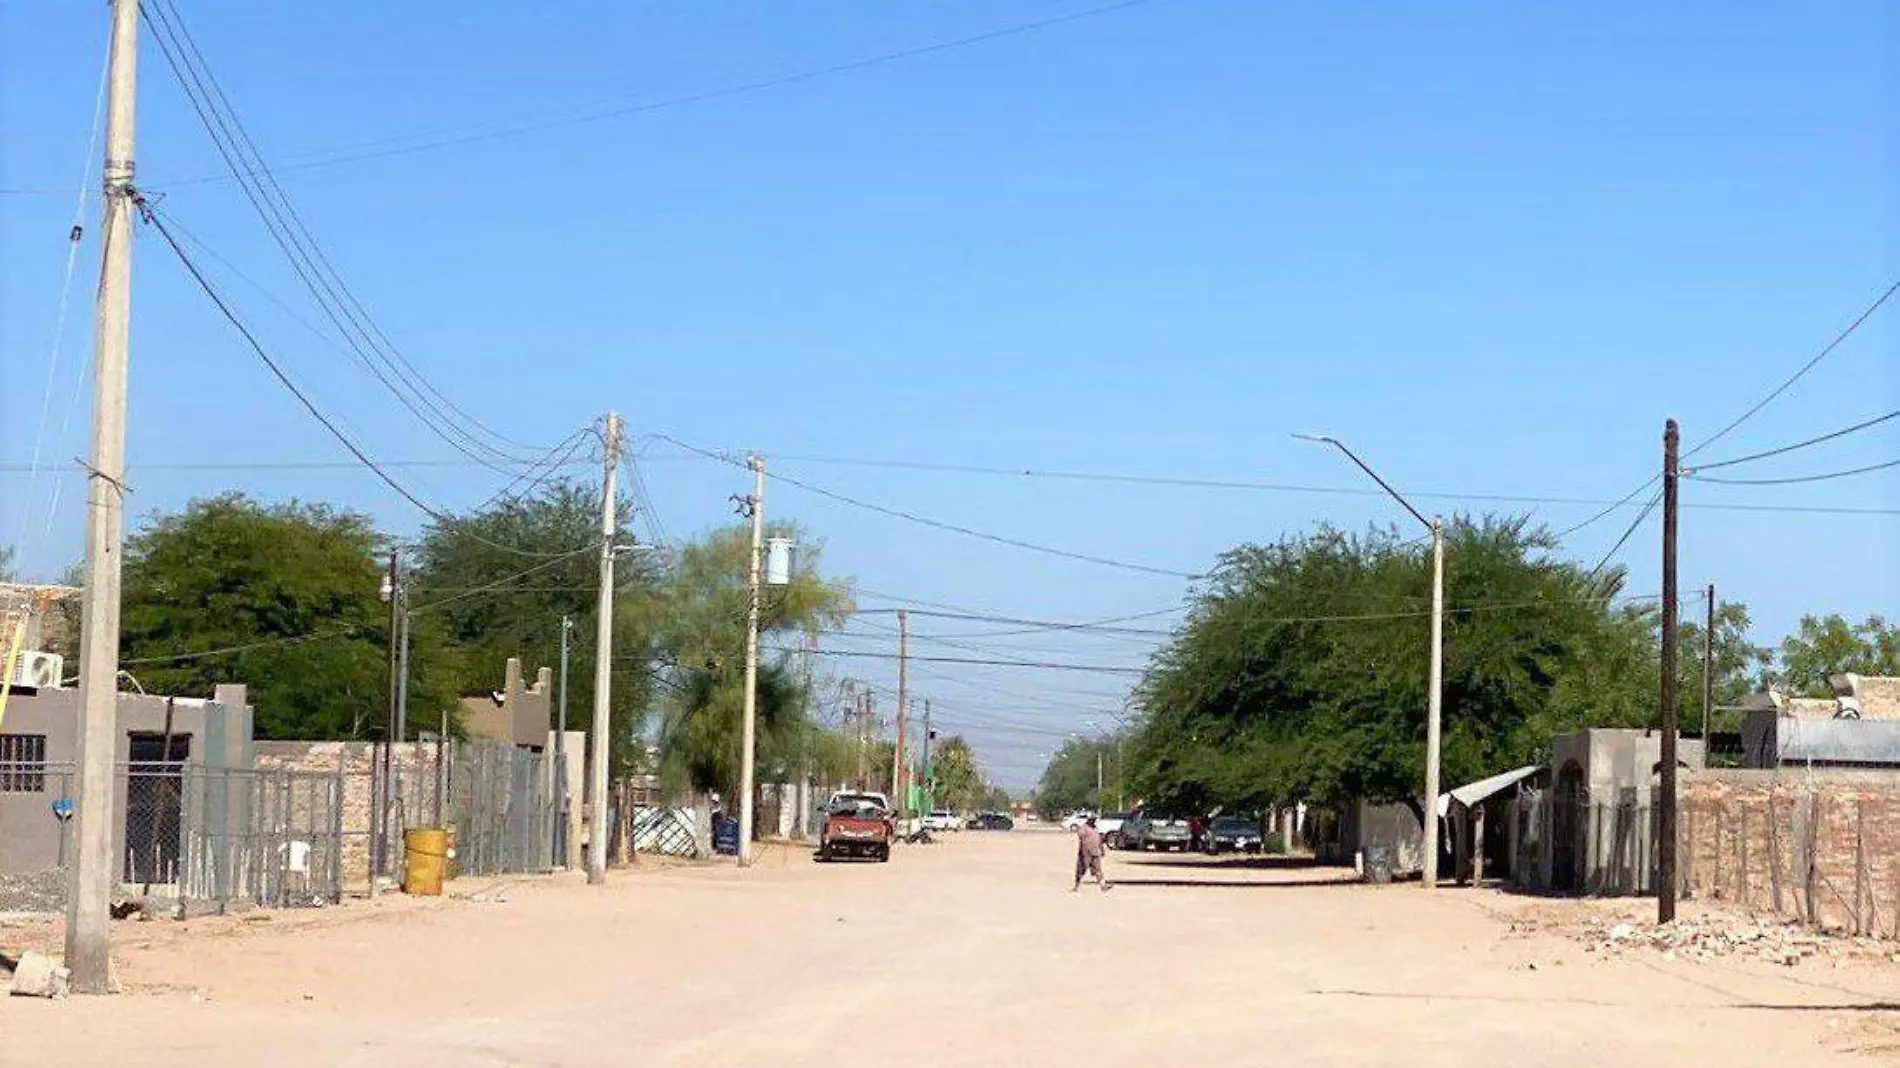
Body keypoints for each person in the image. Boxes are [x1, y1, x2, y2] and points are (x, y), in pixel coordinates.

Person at [1073, 816, 1110, 892]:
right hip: (1085, 853)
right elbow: (1082, 841)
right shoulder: (1083, 828)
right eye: (1092, 820)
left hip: (1095, 852)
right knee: (1081, 870)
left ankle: (1103, 886)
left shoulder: (1096, 828)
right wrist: (1083, 853)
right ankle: (1076, 886)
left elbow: (1099, 840)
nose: (1093, 821)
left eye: (1094, 820)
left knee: (1098, 870)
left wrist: (1102, 849)